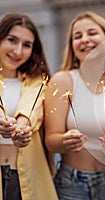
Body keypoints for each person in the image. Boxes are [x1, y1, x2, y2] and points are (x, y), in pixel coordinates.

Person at [44, 11, 105, 200]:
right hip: (71, 184)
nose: (85, 39)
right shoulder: (62, 81)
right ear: (72, 47)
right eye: (77, 36)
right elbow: (51, 141)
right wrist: (64, 141)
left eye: (92, 33)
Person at [0, 13, 57, 200]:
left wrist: (21, 129)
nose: (18, 51)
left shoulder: (38, 83)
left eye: (27, 45)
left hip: (26, 179)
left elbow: (31, 110)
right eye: (12, 40)